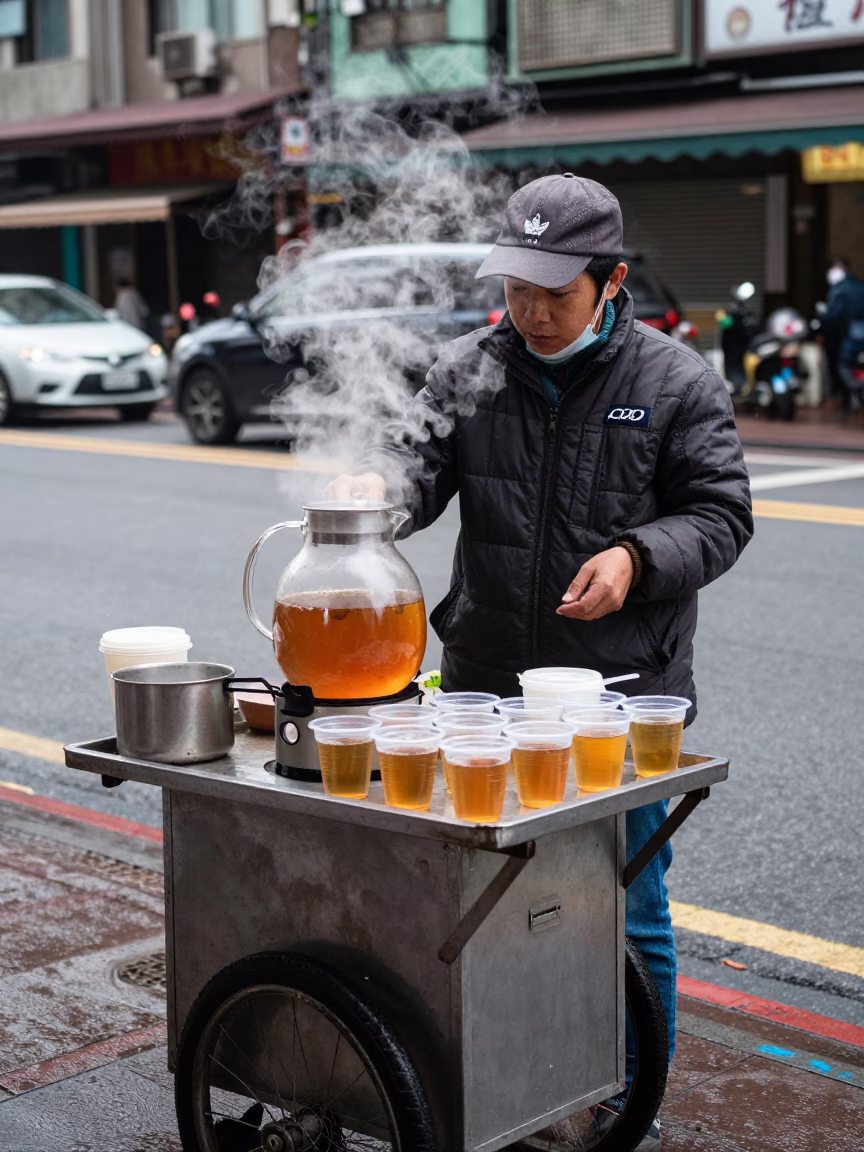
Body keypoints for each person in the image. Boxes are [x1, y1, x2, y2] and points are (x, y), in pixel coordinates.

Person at [327, 174, 753, 1149]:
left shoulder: (675, 382)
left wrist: (637, 558)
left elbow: (721, 516)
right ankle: (502, 1074)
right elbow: (417, 463)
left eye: (554, 291)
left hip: (622, 699)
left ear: (609, 283)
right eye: (517, 287)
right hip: (484, 690)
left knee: (627, 901)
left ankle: (625, 1105)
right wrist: (377, 486)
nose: (530, 310)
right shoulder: (471, 367)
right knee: (485, 895)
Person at [822, 258, 864, 412]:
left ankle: (851, 394)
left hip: (849, 335)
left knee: (844, 365)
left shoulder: (839, 290)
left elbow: (832, 316)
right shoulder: (859, 286)